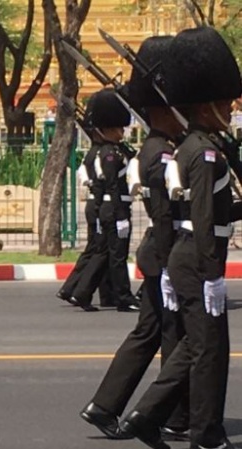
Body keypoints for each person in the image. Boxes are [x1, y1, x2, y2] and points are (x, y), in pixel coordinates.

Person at [120, 27, 242, 449]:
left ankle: (147, 415)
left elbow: (207, 210)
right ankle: (206, 436)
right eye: (226, 102)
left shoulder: (192, 146)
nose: (231, 108)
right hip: (200, 258)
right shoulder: (206, 153)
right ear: (207, 105)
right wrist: (212, 275)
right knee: (211, 352)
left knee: (193, 345)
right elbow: (207, 219)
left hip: (186, 255)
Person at [80, 36, 189, 440]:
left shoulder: (163, 148)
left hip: (162, 254)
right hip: (166, 253)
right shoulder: (161, 153)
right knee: (173, 335)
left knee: (153, 331)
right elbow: (164, 214)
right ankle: (171, 414)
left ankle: (108, 406)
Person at [56, 94, 113, 311]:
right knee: (98, 250)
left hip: (96, 204)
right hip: (99, 205)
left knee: (98, 249)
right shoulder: (99, 154)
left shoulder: (94, 152)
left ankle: (97, 291)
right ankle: (75, 289)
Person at [91, 88, 139, 312]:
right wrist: (121, 215)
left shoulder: (116, 150)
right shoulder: (110, 154)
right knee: (118, 255)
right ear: (109, 129)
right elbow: (112, 184)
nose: (122, 131)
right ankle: (123, 296)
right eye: (118, 128)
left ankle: (109, 294)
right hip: (115, 206)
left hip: (115, 205)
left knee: (114, 254)